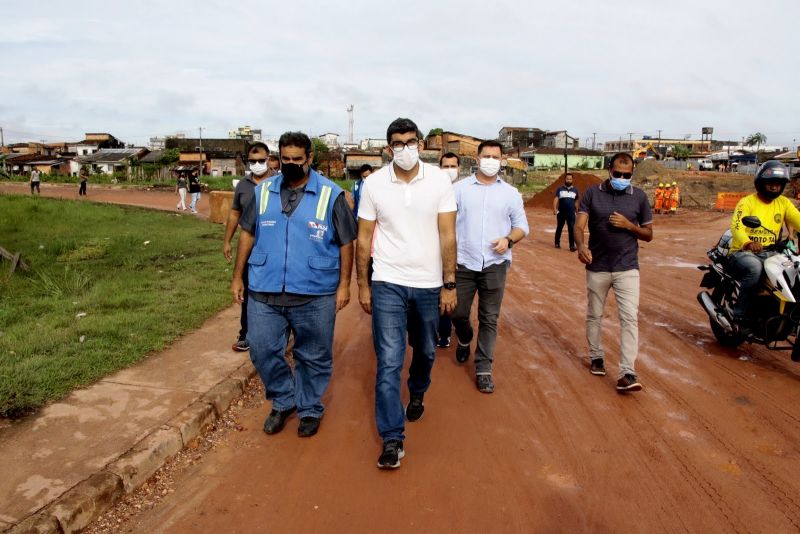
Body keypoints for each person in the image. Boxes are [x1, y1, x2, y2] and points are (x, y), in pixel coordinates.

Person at [231, 131, 356, 438]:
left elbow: (346, 242)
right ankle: (284, 400)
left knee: (313, 355)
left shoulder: (331, 194)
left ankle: (310, 407)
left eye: (296, 160)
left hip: (315, 291)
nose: (290, 165)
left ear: (309, 159)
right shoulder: (263, 192)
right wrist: (237, 276)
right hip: (264, 288)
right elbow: (247, 232)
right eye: (284, 159)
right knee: (261, 349)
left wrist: (345, 285)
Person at [356, 117, 457, 469]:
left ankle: (417, 390)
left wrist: (448, 283)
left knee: (427, 351)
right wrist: (363, 284)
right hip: (388, 281)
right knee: (388, 360)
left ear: (421, 144)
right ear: (388, 149)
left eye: (411, 142)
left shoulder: (440, 181)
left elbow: (447, 235)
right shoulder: (374, 185)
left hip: (429, 285)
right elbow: (364, 237)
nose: (405, 149)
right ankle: (392, 439)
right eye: (398, 144)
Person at [452, 140, 529, 393]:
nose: (490, 161)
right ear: (476, 158)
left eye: (495, 157)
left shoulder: (511, 193)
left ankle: (483, 367)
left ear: (502, 160)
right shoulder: (459, 189)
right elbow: (446, 223)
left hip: (495, 264)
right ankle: (464, 337)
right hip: (463, 262)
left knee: (489, 318)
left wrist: (508, 240)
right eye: (486, 156)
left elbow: (521, 227)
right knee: (457, 312)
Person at [574, 152, 653, 393]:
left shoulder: (639, 197)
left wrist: (630, 226)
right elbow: (579, 225)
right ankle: (597, 357)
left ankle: (627, 372)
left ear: (632, 174)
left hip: (627, 268)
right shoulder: (592, 193)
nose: (621, 178)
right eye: (617, 174)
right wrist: (581, 245)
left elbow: (649, 234)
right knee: (594, 315)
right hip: (597, 266)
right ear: (609, 170)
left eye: (626, 175)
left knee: (629, 318)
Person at [728, 161, 800, 327]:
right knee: (755, 269)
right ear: (761, 183)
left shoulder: (783, 203)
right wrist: (748, 242)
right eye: (770, 183)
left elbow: (798, 220)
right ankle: (740, 314)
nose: (774, 187)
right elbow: (737, 226)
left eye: (778, 184)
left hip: (772, 253)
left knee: (793, 272)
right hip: (743, 252)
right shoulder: (747, 202)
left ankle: (783, 315)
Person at [224, 142, 276, 352]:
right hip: (249, 249)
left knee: (273, 293)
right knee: (247, 291)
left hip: (273, 249)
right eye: (252, 161)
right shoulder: (243, 185)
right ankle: (246, 334)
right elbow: (235, 213)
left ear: (269, 158)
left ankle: (278, 334)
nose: (257, 164)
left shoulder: (279, 182)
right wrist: (227, 240)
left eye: (261, 161)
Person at [436, 152, 461, 347]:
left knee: (451, 291)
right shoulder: (434, 191)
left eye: (453, 167)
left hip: (459, 255)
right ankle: (440, 331)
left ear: (459, 169)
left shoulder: (464, 192)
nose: (449, 170)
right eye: (446, 166)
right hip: (436, 251)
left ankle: (448, 330)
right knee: (437, 292)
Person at [553, 172, 579, 251]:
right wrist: (555, 208)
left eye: (570, 179)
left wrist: (577, 210)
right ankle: (557, 243)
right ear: (565, 179)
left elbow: (576, 200)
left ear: (572, 180)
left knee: (571, 228)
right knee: (559, 227)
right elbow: (556, 199)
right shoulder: (559, 189)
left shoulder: (575, 190)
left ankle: (572, 246)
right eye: (567, 179)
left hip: (571, 213)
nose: (568, 180)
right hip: (561, 212)